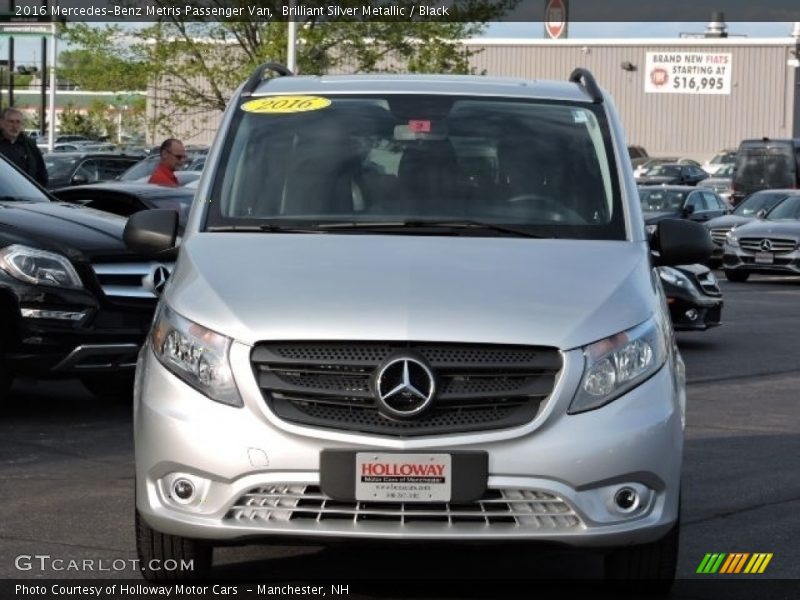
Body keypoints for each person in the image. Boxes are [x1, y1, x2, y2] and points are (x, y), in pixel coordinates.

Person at [0, 108, 48, 187]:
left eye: (18, 122)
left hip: (25, 195)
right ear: (1, 123)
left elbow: (41, 173)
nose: (14, 126)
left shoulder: (29, 145)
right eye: (11, 121)